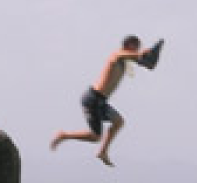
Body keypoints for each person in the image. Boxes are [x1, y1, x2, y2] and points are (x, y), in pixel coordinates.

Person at [51, 35, 156, 167]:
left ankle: (103, 151)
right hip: (93, 99)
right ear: (129, 45)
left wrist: (150, 58)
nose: (138, 49)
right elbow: (136, 55)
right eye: (137, 46)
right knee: (95, 137)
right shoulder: (117, 54)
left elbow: (145, 63)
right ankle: (64, 135)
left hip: (101, 101)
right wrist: (144, 53)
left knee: (118, 122)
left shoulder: (126, 60)